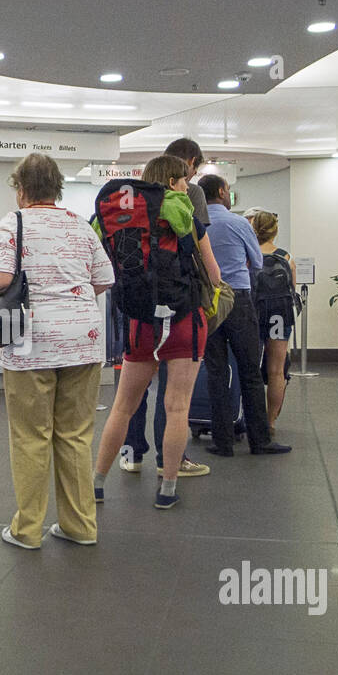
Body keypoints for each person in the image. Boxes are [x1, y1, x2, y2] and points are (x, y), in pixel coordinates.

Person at [0, 153, 113, 548]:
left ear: (21, 189)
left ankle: (27, 530)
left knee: (31, 436)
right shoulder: (80, 224)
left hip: (31, 345)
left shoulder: (13, 222)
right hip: (83, 342)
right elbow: (104, 279)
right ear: (56, 187)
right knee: (76, 435)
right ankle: (80, 526)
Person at [93, 155, 219, 509]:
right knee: (177, 407)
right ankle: (167, 491)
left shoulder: (116, 210)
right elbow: (213, 272)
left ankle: (97, 483)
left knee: (122, 407)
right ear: (175, 180)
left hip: (139, 320)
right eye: (184, 180)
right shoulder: (179, 206)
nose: (186, 186)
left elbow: (97, 254)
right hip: (183, 320)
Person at [197, 174, 291, 457]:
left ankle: (222, 441)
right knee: (250, 371)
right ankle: (260, 440)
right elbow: (258, 262)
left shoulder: (195, 225)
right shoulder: (239, 223)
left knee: (216, 371)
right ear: (223, 192)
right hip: (238, 300)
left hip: (208, 303)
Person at [245, 208, 295, 436]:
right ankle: (271, 421)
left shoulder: (248, 256)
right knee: (276, 372)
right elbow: (292, 291)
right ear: (275, 231)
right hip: (279, 316)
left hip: (253, 315)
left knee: (250, 369)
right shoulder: (286, 258)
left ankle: (250, 418)